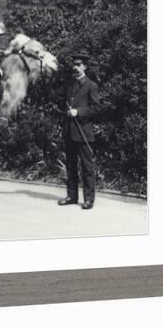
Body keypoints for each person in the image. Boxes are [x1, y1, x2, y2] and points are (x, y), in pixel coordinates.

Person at [58, 52, 103, 210]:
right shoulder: (70, 85)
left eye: (78, 65)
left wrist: (79, 112)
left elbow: (96, 108)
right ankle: (72, 196)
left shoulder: (91, 86)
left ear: (85, 66)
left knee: (87, 167)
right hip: (70, 131)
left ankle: (89, 199)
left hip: (84, 132)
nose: (75, 67)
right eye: (74, 64)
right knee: (70, 166)